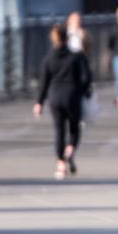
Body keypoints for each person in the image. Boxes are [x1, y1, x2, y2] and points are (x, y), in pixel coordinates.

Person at [34, 23, 93, 180]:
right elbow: (86, 78)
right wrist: (84, 92)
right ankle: (70, 150)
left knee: (59, 130)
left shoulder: (48, 59)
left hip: (54, 97)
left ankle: (60, 164)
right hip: (72, 96)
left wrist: (39, 102)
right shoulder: (77, 57)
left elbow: (44, 82)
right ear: (67, 37)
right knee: (74, 128)